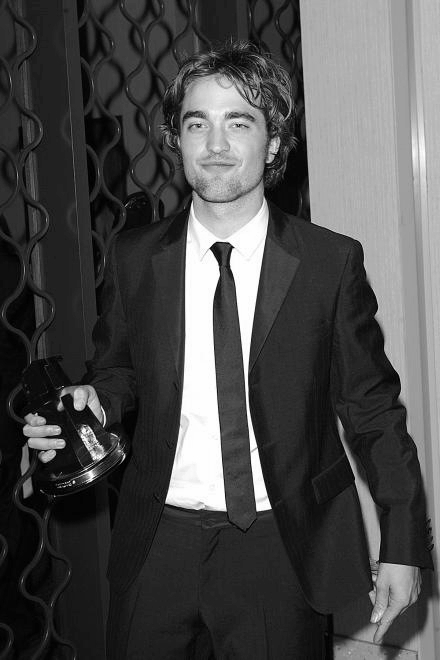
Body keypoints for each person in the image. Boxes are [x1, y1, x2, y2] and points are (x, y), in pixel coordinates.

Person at [23, 41, 433, 659]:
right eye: (197, 124)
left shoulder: (328, 263)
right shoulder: (135, 256)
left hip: (279, 544)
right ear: (176, 139)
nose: (215, 144)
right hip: (157, 539)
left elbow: (372, 409)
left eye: (238, 123)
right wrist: (96, 400)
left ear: (272, 144)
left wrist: (402, 543)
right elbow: (119, 369)